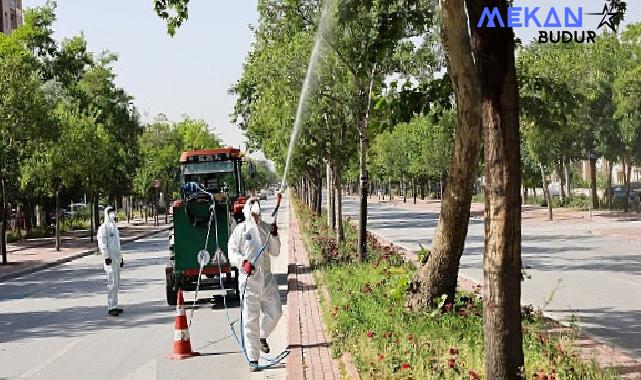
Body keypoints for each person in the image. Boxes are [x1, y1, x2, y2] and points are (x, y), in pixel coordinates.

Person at [228, 197, 281, 371]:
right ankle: (253, 359)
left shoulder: (266, 228)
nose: (256, 218)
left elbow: (275, 252)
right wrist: (243, 262)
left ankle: (262, 336)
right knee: (250, 320)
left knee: (276, 311)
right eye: (253, 214)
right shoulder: (240, 231)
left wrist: (274, 236)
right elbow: (232, 253)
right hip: (249, 281)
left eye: (258, 215)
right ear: (246, 213)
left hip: (266, 279)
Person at [97, 206, 123, 316]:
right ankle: (111, 307)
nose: (113, 214)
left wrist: (121, 258)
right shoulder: (104, 227)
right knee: (111, 283)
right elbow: (103, 244)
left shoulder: (114, 227)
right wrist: (106, 257)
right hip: (110, 260)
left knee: (116, 283)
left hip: (116, 259)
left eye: (113, 211)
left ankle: (115, 305)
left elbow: (117, 245)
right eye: (111, 212)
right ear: (106, 214)